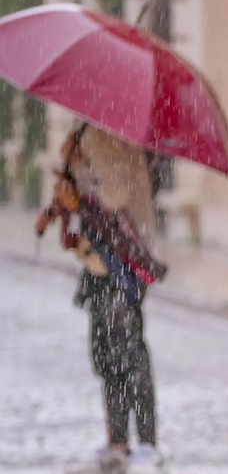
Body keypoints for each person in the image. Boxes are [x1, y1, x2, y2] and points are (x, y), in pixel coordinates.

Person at [52, 123, 167, 474]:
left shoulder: (114, 133)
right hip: (100, 265)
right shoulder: (90, 128)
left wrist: (82, 168)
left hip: (123, 265)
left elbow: (114, 198)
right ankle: (118, 441)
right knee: (105, 356)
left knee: (129, 356)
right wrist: (72, 167)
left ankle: (147, 443)